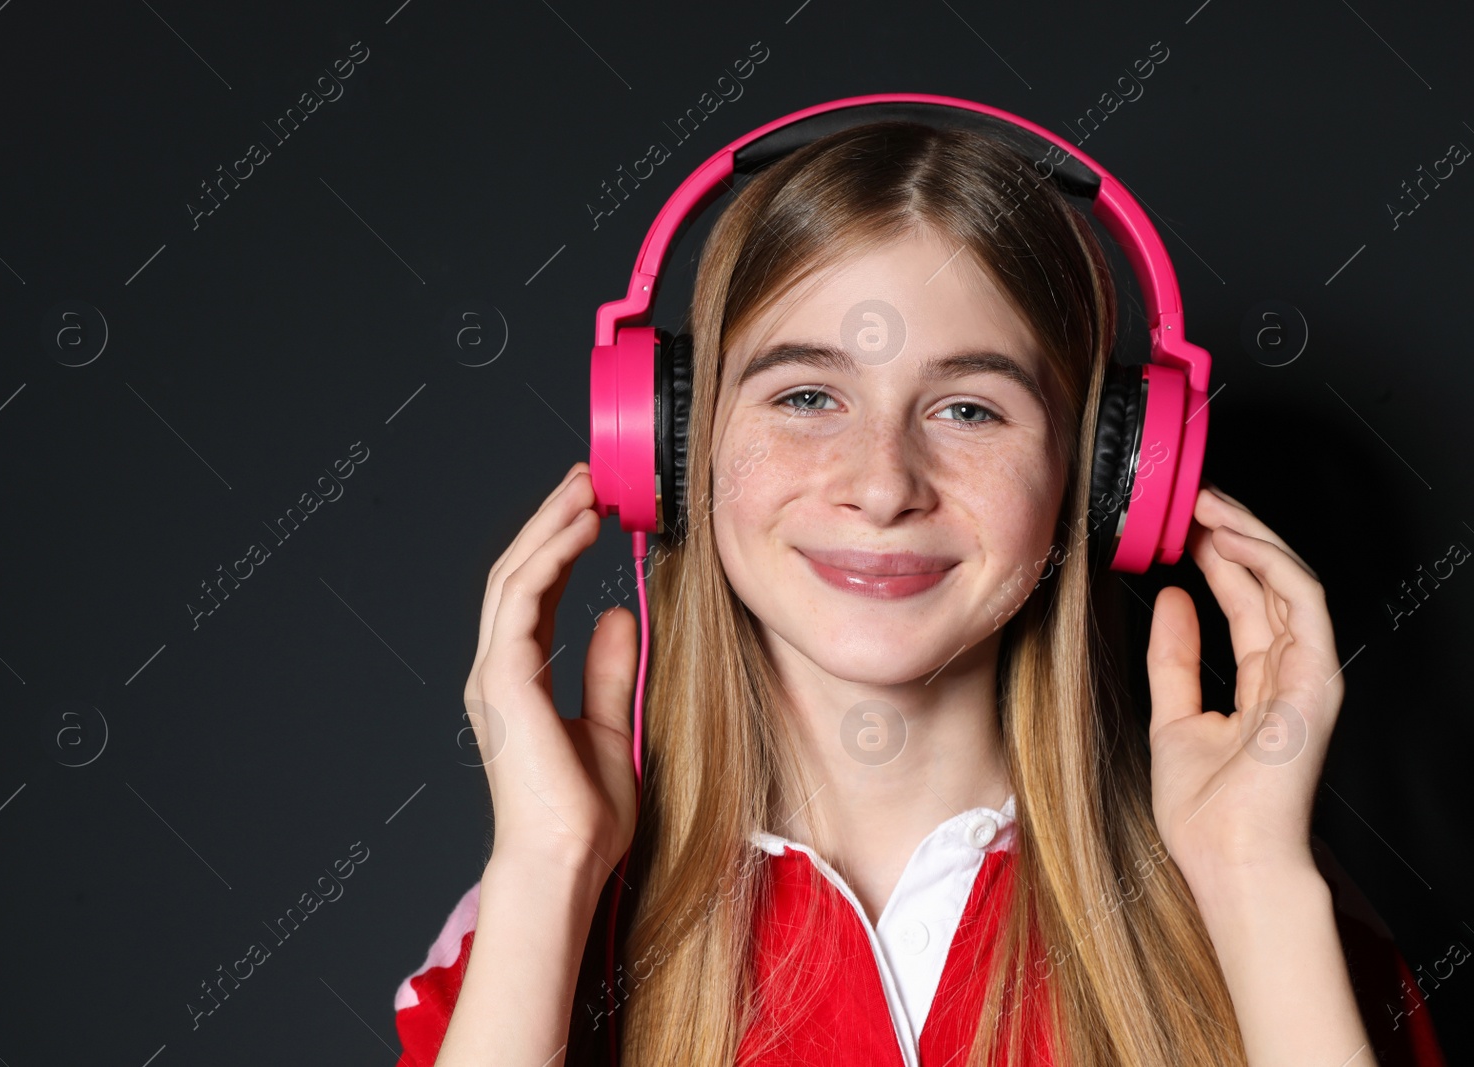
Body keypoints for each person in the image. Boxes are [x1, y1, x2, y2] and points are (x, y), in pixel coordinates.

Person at [392, 121, 1448, 1066]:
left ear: (1106, 478)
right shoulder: (527, 924)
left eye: (970, 410)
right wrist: (545, 869)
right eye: (806, 395)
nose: (883, 484)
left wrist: (1254, 882)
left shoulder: (1274, 911)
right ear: (669, 450)